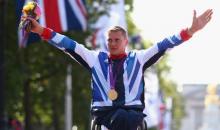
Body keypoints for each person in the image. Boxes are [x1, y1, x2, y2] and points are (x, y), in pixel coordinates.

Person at [24, 9, 213, 130]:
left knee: (125, 117)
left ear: (126, 42)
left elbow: (164, 45)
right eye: (110, 40)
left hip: (132, 116)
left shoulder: (138, 58)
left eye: (117, 40)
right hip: (105, 117)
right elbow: (69, 45)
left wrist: (190, 31)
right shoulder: (95, 59)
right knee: (119, 118)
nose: (112, 43)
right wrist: (41, 30)